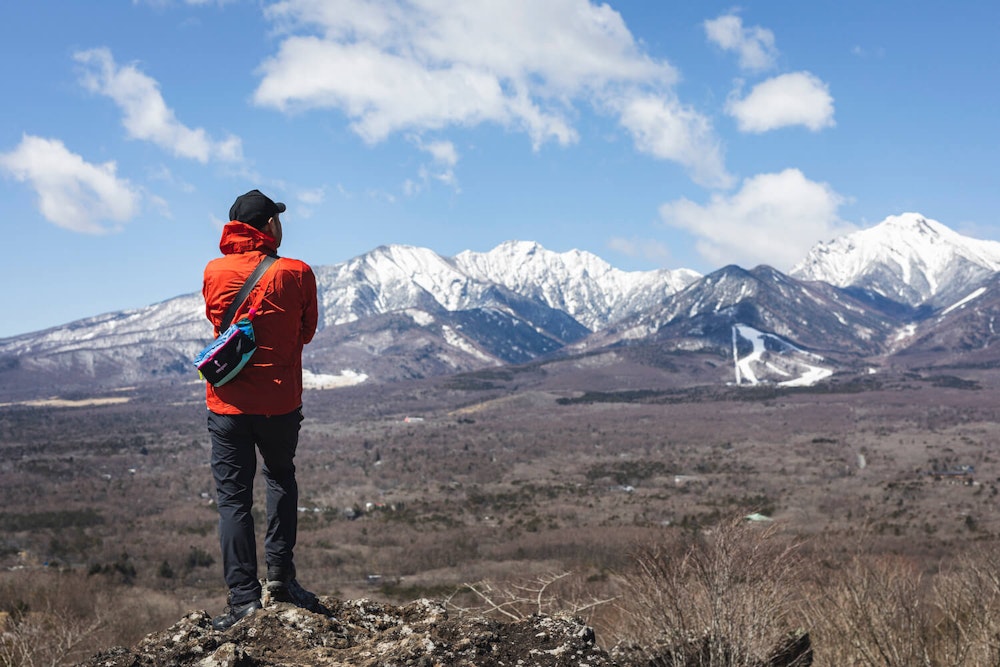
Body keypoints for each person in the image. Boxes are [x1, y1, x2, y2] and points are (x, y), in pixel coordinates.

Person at [201, 189, 319, 631]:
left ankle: (244, 601)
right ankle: (282, 582)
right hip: (281, 404)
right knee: (281, 481)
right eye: (277, 219)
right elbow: (306, 333)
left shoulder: (214, 271)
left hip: (227, 404)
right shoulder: (297, 272)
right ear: (268, 226)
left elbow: (219, 324)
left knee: (233, 501)